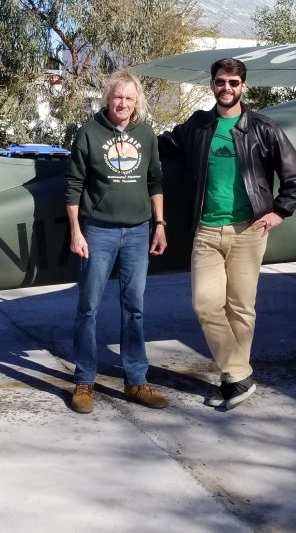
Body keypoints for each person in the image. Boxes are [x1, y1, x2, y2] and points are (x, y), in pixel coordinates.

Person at [159, 57, 296, 410]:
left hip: (248, 231)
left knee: (242, 308)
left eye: (233, 83)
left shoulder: (263, 128)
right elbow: (160, 146)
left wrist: (279, 211)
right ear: (212, 84)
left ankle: (231, 380)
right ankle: (240, 373)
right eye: (220, 82)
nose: (226, 88)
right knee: (205, 304)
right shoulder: (196, 126)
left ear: (243, 86)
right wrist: (126, 142)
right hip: (207, 230)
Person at [64, 69, 169, 414]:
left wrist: (160, 224)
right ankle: (84, 381)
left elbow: (155, 181)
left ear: (136, 101)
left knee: (134, 309)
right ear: (107, 99)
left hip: (138, 232)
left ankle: (136, 380)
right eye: (117, 96)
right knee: (88, 308)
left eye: (128, 97)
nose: (122, 103)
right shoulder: (90, 133)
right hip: (98, 232)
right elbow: (73, 186)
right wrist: (77, 231)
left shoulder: (146, 134)